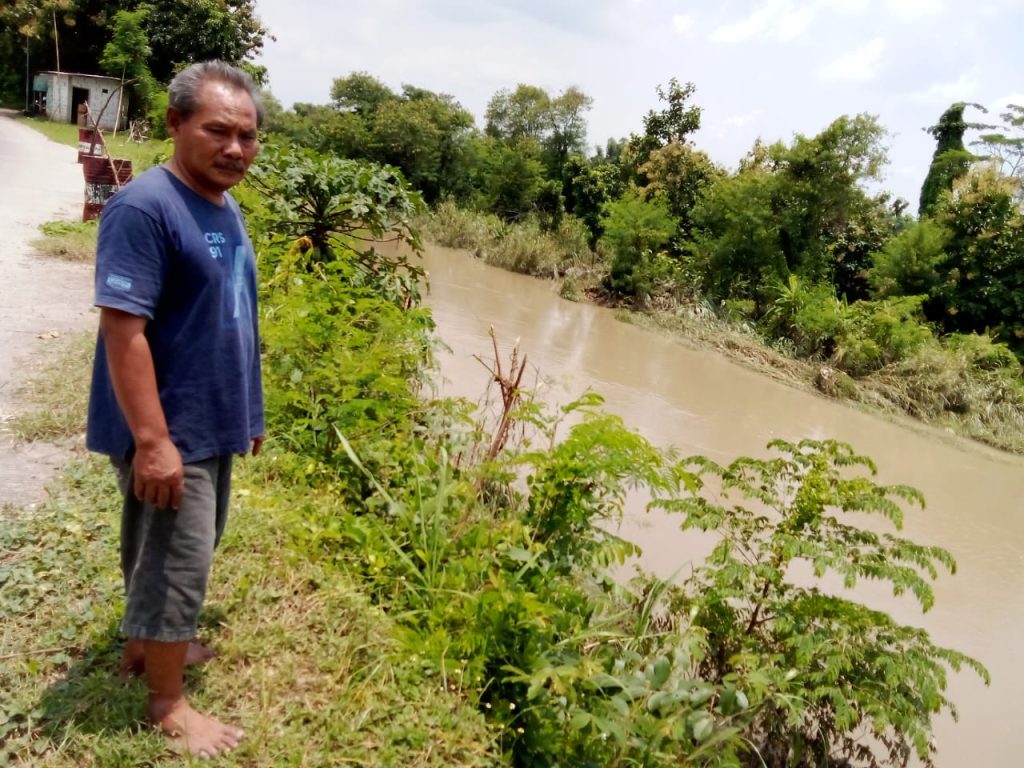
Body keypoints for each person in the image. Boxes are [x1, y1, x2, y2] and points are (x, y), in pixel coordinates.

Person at [86, 60, 264, 758]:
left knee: (180, 546)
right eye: (218, 130)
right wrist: (154, 442)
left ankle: (147, 645)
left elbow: (232, 314)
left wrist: (247, 413)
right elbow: (123, 330)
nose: (235, 149)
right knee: (178, 560)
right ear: (174, 123)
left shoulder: (222, 203)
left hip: (212, 419)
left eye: (247, 136)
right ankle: (166, 702)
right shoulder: (146, 208)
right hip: (171, 424)